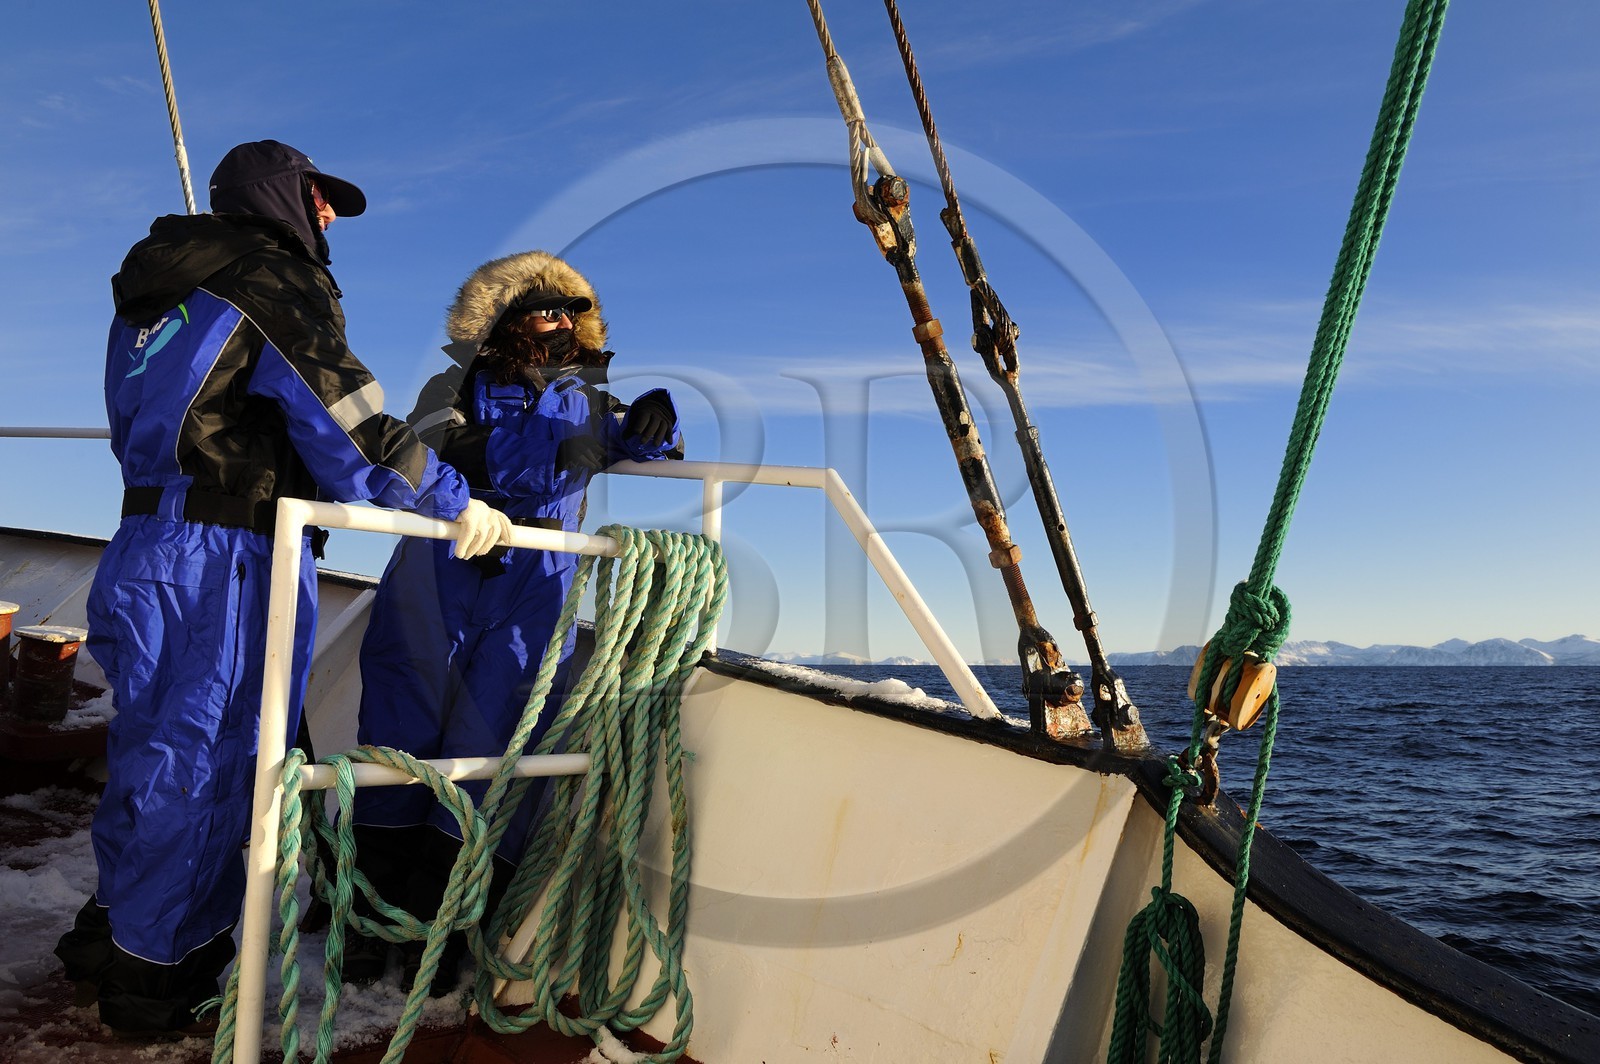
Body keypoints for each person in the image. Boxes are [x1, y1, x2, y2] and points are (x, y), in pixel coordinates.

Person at [52, 140, 510, 1037]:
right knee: (210, 766)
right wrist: (458, 504)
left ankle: (108, 936)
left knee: (150, 756)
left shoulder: (158, 292)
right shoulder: (268, 280)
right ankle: (157, 980)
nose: (328, 214)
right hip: (223, 556)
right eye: (318, 195)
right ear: (275, 197)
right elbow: (348, 424)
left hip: (146, 543)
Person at [350, 250, 681, 994]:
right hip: (441, 569)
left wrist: (658, 411)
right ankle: (369, 919)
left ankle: (448, 925)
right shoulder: (453, 382)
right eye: (545, 309)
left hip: (535, 585)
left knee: (494, 749)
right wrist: (559, 440)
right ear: (503, 317)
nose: (561, 323)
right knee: (399, 739)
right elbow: (444, 449)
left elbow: (640, 439)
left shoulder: (588, 393)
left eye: (571, 311)